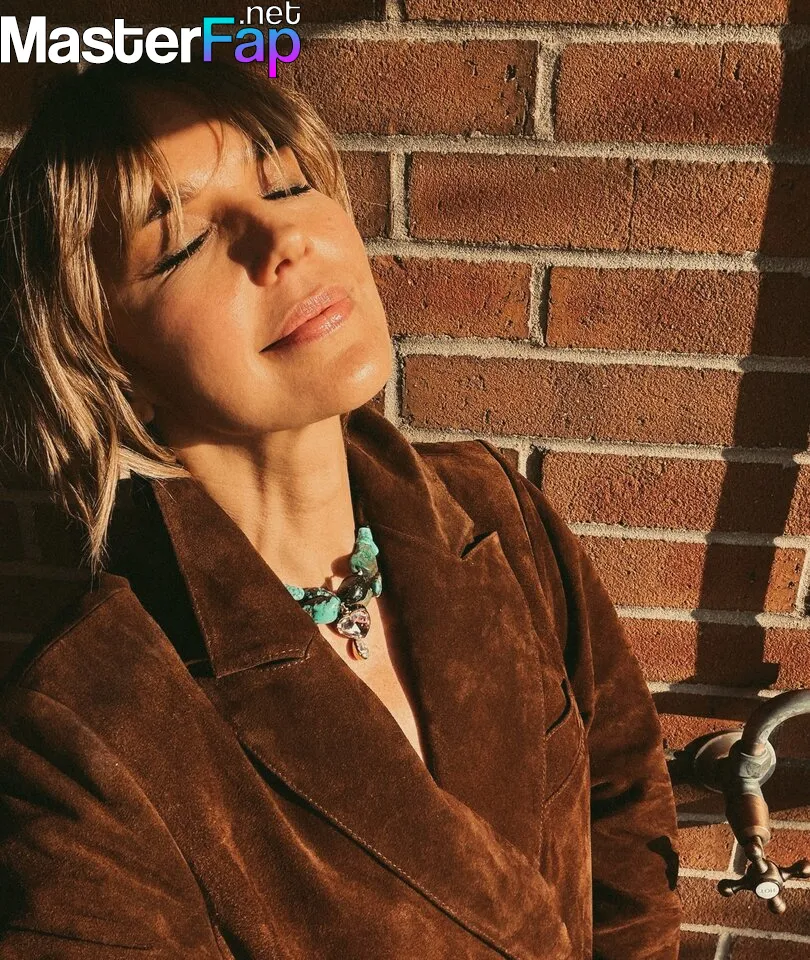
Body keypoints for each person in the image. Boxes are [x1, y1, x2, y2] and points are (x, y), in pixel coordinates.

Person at [0, 58, 682, 959]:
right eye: (182, 244)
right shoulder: (87, 732)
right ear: (106, 363)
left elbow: (625, 818)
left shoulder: (494, 508)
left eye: (286, 183)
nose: (283, 237)